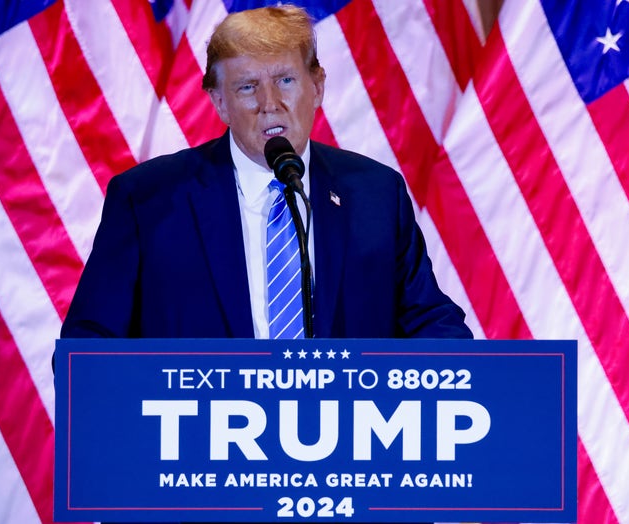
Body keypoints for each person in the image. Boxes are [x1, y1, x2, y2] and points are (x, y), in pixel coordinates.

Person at [61, 5, 471, 340]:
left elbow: (430, 322)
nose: (269, 103)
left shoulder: (376, 195)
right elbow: (89, 344)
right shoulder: (147, 200)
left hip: (346, 433)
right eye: (247, 87)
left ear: (318, 86)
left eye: (286, 80)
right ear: (219, 103)